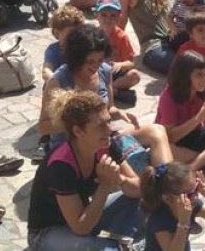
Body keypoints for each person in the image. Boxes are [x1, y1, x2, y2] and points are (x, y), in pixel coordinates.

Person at [27, 90, 143, 250]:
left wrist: (119, 179)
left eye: (108, 122)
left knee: (147, 199)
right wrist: (105, 185)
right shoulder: (61, 165)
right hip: (47, 233)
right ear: (78, 131)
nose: (109, 130)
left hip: (84, 216)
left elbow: (138, 189)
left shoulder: (105, 145)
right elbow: (80, 228)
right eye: (100, 126)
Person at [139, 160, 205, 251]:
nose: (195, 196)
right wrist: (183, 223)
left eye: (196, 187)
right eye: (190, 194)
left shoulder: (192, 204)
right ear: (167, 198)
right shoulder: (159, 219)